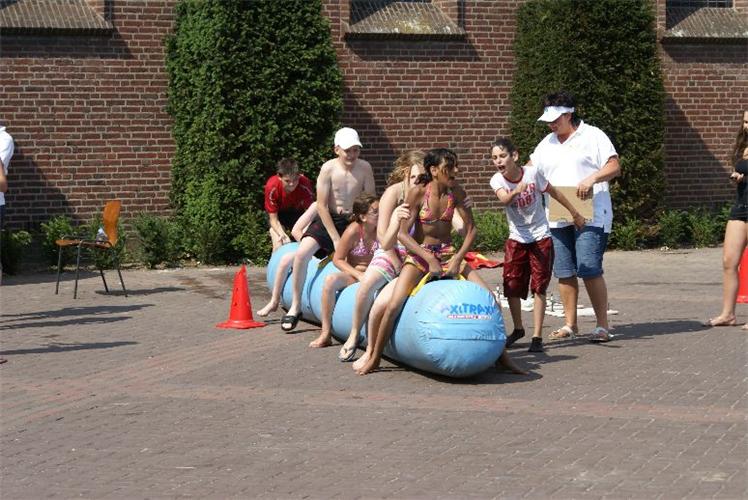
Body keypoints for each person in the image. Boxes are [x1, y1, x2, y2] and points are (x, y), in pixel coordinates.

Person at [356, 148, 524, 375]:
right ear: (434, 170)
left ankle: (503, 358)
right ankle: (375, 357)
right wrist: (427, 258)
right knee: (393, 305)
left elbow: (472, 230)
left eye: (456, 166)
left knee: (491, 299)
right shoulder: (417, 193)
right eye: (450, 167)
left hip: (448, 253)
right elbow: (403, 235)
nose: (456, 171)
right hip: (420, 255)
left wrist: (457, 258)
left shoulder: (457, 192)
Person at [529, 91, 621, 343]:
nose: (551, 124)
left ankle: (602, 325)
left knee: (588, 267)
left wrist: (592, 178)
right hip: (557, 215)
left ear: (569, 114)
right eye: (548, 120)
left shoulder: (593, 135)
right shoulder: (546, 143)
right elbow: (530, 170)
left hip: (591, 214)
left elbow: (614, 165)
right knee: (564, 270)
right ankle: (571, 324)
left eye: (555, 119)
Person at [490, 137, 585, 353]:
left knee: (539, 286)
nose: (498, 161)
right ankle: (518, 329)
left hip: (541, 236)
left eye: (502, 156)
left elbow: (554, 192)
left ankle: (537, 336)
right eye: (494, 158)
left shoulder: (532, 174)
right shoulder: (497, 180)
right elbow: (504, 199)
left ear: (514, 156)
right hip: (517, 237)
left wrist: (574, 212)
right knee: (511, 284)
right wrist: (516, 191)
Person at [280, 127, 375, 332]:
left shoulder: (365, 168)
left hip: (353, 219)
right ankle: (295, 306)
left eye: (356, 150)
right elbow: (321, 206)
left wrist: (362, 223)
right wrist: (334, 238)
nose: (352, 155)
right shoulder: (328, 169)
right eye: (347, 150)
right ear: (336, 150)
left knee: (362, 258)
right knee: (302, 253)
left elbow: (369, 200)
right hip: (329, 217)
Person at [337, 150, 421, 362]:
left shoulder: (427, 193)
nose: (417, 181)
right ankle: (354, 334)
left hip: (414, 252)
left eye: (422, 177)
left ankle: (373, 348)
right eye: (413, 176)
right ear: (405, 174)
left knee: (386, 301)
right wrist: (396, 262)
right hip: (390, 248)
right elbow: (382, 235)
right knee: (367, 284)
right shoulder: (393, 193)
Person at [309, 193, 380, 348]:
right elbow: (338, 259)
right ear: (363, 217)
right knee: (330, 281)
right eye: (375, 211)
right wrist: (358, 274)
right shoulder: (353, 231)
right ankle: (325, 332)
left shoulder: (381, 229)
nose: (380, 214)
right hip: (355, 274)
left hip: (378, 274)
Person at [704, 110, 748, 328]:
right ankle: (728, 314)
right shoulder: (742, 147)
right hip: (741, 208)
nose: (747, 126)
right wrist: (739, 176)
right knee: (729, 261)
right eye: (745, 122)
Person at [264, 158, 315, 251]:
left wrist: (307, 233)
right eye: (287, 181)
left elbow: (310, 213)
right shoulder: (272, 186)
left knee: (307, 240)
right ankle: (275, 259)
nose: (292, 184)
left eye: (295, 180)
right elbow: (273, 219)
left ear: (299, 175)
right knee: (278, 242)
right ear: (279, 177)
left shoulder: (305, 183)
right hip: (278, 214)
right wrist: (282, 235)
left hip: (296, 211)